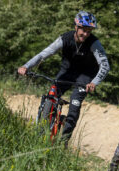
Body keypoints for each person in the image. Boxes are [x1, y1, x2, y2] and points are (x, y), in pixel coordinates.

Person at [18, 11, 110, 147]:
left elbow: (105, 65)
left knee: (74, 105)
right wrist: (26, 66)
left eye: (89, 31)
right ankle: (42, 130)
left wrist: (94, 82)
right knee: (52, 94)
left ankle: (63, 142)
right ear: (76, 27)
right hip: (66, 72)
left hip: (85, 77)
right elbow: (45, 54)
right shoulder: (65, 38)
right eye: (83, 30)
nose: (86, 34)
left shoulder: (94, 43)